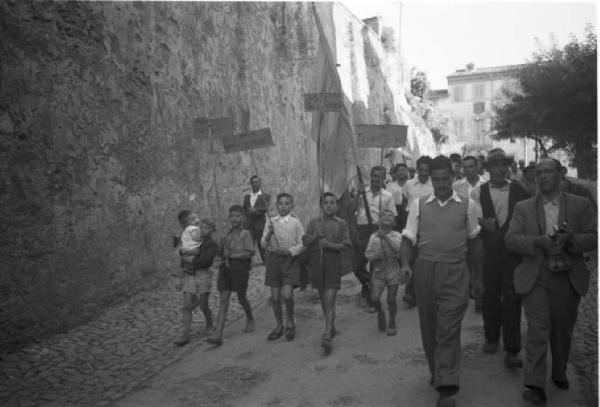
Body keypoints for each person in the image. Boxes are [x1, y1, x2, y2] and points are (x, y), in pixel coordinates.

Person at [505, 158, 596, 406]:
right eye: (538, 173)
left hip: (567, 276)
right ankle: (534, 384)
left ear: (561, 174)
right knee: (538, 329)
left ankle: (559, 370)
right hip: (536, 274)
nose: (542, 176)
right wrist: (537, 242)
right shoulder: (523, 208)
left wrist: (572, 239)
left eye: (548, 172)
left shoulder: (581, 205)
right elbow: (511, 239)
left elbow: (594, 238)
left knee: (562, 329)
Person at [399, 155, 483, 407]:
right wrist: (405, 264)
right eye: (437, 180)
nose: (442, 184)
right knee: (430, 327)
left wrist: (478, 276)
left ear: (453, 177)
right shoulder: (419, 204)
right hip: (425, 270)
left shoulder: (468, 205)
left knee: (448, 327)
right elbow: (408, 238)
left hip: (456, 271)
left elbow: (475, 241)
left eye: (446, 178)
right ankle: (437, 371)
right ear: (432, 180)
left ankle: (446, 387)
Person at [470, 148, 531, 368]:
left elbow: (526, 218)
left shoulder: (519, 190)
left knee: (512, 299)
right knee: (489, 297)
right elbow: (472, 219)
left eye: (502, 164)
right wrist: (481, 222)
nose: (499, 168)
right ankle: (491, 338)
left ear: (507, 167)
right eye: (494, 165)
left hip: (513, 254)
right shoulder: (477, 191)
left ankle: (512, 348)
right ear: (488, 169)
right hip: (488, 253)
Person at [302, 192, 352, 353]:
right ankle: (330, 325)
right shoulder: (314, 223)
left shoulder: (342, 223)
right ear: (321, 206)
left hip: (333, 264)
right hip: (317, 264)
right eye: (326, 203)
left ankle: (327, 335)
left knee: (330, 298)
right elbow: (305, 241)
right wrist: (315, 237)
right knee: (324, 298)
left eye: (332, 202)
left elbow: (346, 245)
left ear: (336, 206)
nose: (329, 205)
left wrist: (329, 244)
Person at [349, 166, 397, 312]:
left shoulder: (387, 196)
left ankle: (372, 300)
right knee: (357, 265)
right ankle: (366, 283)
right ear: (370, 176)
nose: (376, 179)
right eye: (374, 176)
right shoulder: (363, 192)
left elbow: (391, 215)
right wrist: (358, 196)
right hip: (362, 230)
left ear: (384, 178)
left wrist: (385, 233)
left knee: (374, 266)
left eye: (380, 176)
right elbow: (350, 211)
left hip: (377, 230)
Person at [207, 205, 255, 346]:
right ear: (229, 218)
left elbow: (249, 252)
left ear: (243, 218)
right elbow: (221, 254)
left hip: (240, 270)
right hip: (225, 270)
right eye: (232, 216)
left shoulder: (246, 234)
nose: (234, 218)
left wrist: (232, 255)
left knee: (241, 298)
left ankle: (250, 317)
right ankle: (218, 335)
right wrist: (221, 246)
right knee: (223, 301)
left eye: (237, 216)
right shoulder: (227, 235)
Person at [262, 193, 305, 341]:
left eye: (287, 203)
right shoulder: (270, 221)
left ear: (291, 206)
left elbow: (302, 243)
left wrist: (289, 251)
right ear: (276, 205)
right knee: (275, 297)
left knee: (287, 295)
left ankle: (290, 322)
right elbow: (263, 244)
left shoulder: (296, 223)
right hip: (274, 261)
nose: (284, 206)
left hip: (290, 261)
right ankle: (279, 325)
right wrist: (269, 235)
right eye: (281, 203)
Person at [173, 216, 218, 346]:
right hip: (190, 275)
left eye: (206, 228)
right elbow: (183, 255)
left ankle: (209, 324)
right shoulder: (194, 241)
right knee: (187, 305)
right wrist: (181, 276)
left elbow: (206, 261)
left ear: (211, 230)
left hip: (204, 275)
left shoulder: (212, 244)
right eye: (201, 227)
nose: (203, 230)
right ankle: (185, 335)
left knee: (203, 304)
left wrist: (191, 260)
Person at [365, 209, 405, 336]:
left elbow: (399, 249)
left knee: (391, 299)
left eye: (390, 215)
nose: (387, 216)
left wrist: (386, 237)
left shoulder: (398, 236)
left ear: (394, 222)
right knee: (374, 298)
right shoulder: (373, 237)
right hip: (378, 272)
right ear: (379, 221)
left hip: (393, 270)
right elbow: (367, 253)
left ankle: (392, 322)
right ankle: (380, 312)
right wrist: (375, 256)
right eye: (384, 215)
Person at [453, 156, 486, 311]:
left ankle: (481, 294)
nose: (468, 170)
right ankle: (472, 292)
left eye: (471, 166)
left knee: (482, 261)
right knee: (468, 261)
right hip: (465, 228)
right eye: (465, 167)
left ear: (477, 166)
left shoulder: (485, 183)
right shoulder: (457, 185)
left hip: (484, 226)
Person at [401, 155, 434, 308]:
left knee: (426, 261)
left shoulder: (434, 185)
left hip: (429, 227)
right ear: (417, 169)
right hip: (413, 225)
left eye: (426, 170)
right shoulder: (408, 184)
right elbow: (404, 204)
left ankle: (427, 292)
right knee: (412, 259)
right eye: (420, 170)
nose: (423, 173)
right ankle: (410, 292)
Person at [243, 175, 271, 264]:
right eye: (253, 182)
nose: (255, 184)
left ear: (260, 183)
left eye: (256, 181)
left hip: (260, 224)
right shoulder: (247, 197)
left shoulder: (265, 195)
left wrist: (255, 211)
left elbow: (266, 208)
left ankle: (266, 262)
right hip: (249, 225)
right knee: (248, 244)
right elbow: (244, 209)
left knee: (261, 244)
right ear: (250, 184)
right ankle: (247, 262)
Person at [386, 164, 406, 232]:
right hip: (395, 211)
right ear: (396, 172)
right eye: (398, 170)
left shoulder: (411, 185)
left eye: (403, 170)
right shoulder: (389, 186)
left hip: (407, 211)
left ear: (406, 171)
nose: (401, 172)